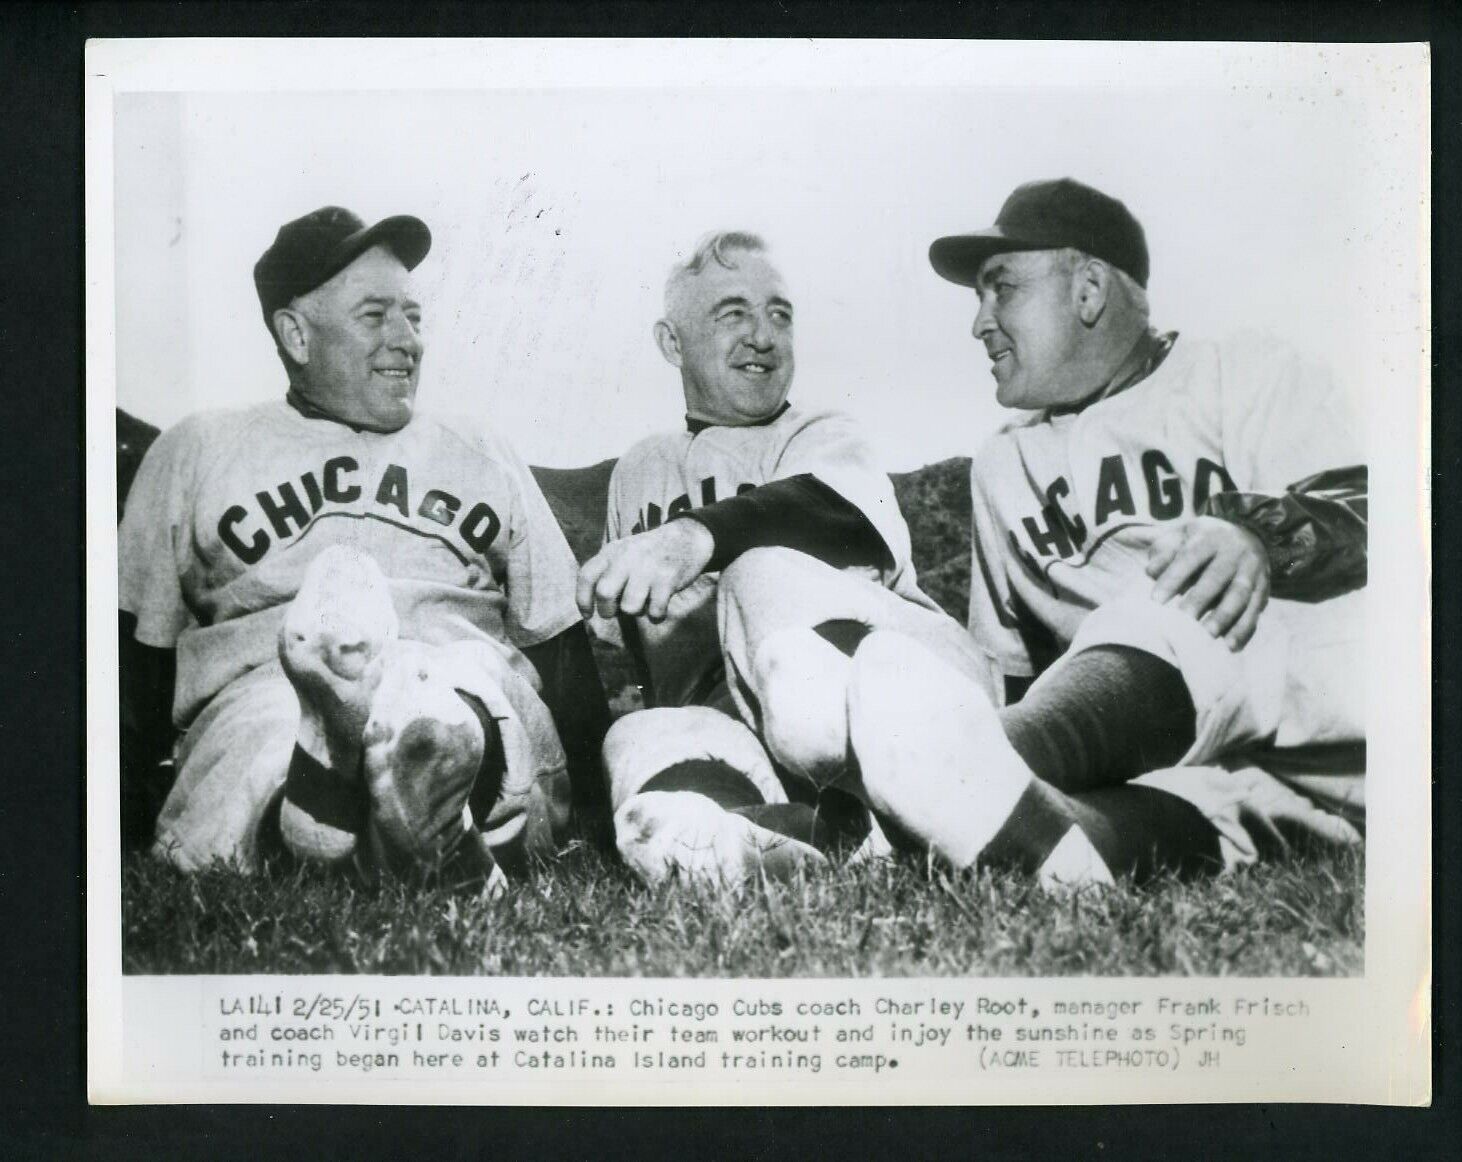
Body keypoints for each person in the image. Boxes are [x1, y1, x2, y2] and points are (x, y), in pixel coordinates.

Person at [720, 178, 1365, 888]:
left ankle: (867, 817)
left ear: (1088, 291)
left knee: (1178, 589)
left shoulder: (1245, 374)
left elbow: (1376, 505)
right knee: (1150, 815)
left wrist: (1253, 535)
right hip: (1182, 766)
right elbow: (1015, 673)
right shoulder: (1005, 464)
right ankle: (1025, 844)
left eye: (1003, 289)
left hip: (1320, 731)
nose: (980, 322)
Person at [119, 205, 610, 883]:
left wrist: (595, 800)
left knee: (453, 701)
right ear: (296, 334)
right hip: (276, 684)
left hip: (454, 666)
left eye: (413, 315)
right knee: (263, 736)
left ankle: (340, 819)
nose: (406, 339)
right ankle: (422, 835)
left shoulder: (479, 447)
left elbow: (557, 644)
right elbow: (133, 655)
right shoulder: (198, 448)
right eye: (375, 316)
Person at [579, 231, 984, 886]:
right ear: (672, 343)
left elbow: (828, 509)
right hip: (742, 732)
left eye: (779, 315)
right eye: (733, 314)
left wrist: (689, 539)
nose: (763, 336)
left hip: (882, 714)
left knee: (757, 577)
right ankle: (770, 833)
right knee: (642, 738)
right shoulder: (640, 470)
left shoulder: (820, 434)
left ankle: (881, 808)